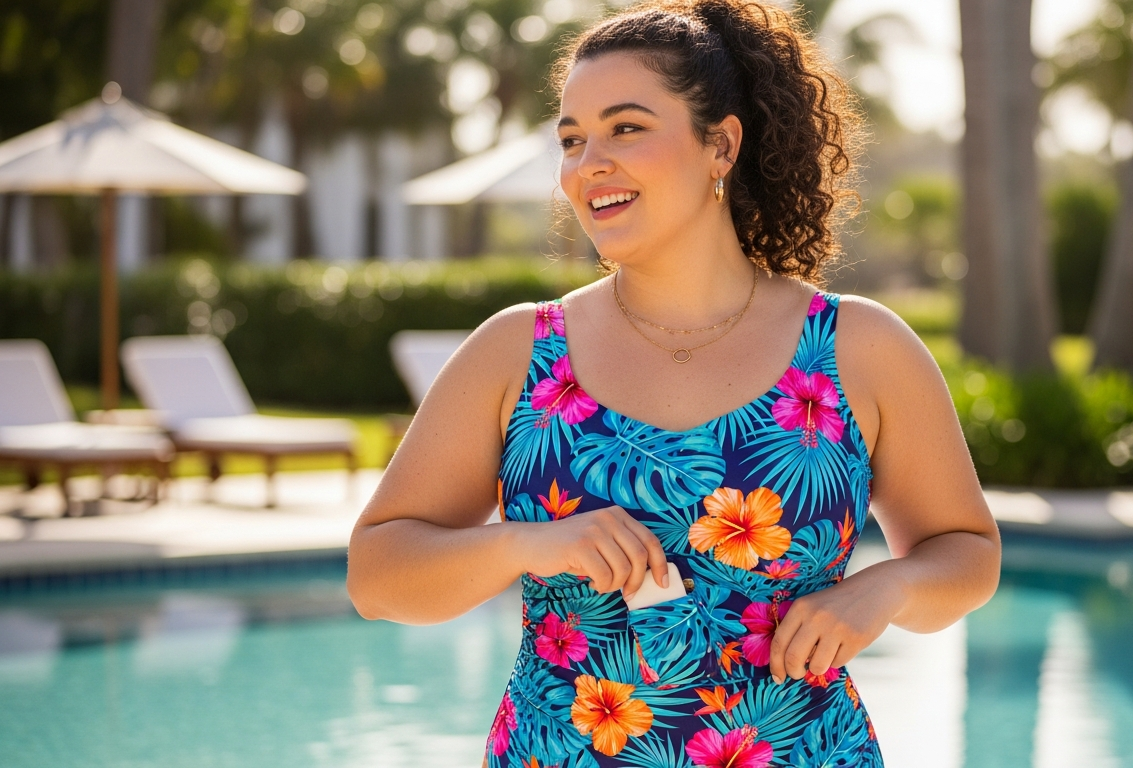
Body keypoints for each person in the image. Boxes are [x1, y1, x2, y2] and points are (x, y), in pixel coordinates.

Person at [347, 1, 1000, 765]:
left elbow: (968, 552)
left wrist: (884, 590)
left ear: (720, 145)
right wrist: (528, 545)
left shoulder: (857, 348)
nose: (589, 162)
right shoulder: (517, 352)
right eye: (572, 139)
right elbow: (375, 576)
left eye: (626, 128)